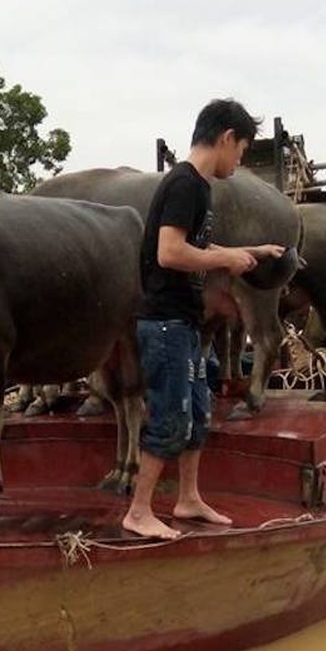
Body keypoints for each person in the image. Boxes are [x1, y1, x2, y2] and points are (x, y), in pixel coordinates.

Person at [122, 99, 286, 540]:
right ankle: (138, 511)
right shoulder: (185, 185)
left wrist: (251, 253)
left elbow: (198, 251)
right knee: (170, 416)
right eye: (242, 150)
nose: (240, 161)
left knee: (197, 412)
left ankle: (188, 498)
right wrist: (227, 256)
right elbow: (169, 252)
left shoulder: (200, 188)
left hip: (186, 322)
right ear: (226, 138)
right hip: (165, 324)